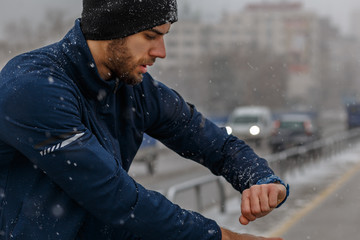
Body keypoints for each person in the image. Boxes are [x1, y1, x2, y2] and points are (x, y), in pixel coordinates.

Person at [0, 0, 289, 239]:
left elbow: (213, 142)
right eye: (150, 36)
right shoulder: (32, 87)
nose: (160, 52)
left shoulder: (132, 88)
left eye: (164, 37)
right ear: (111, 29)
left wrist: (259, 178)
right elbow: (117, 199)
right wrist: (222, 237)